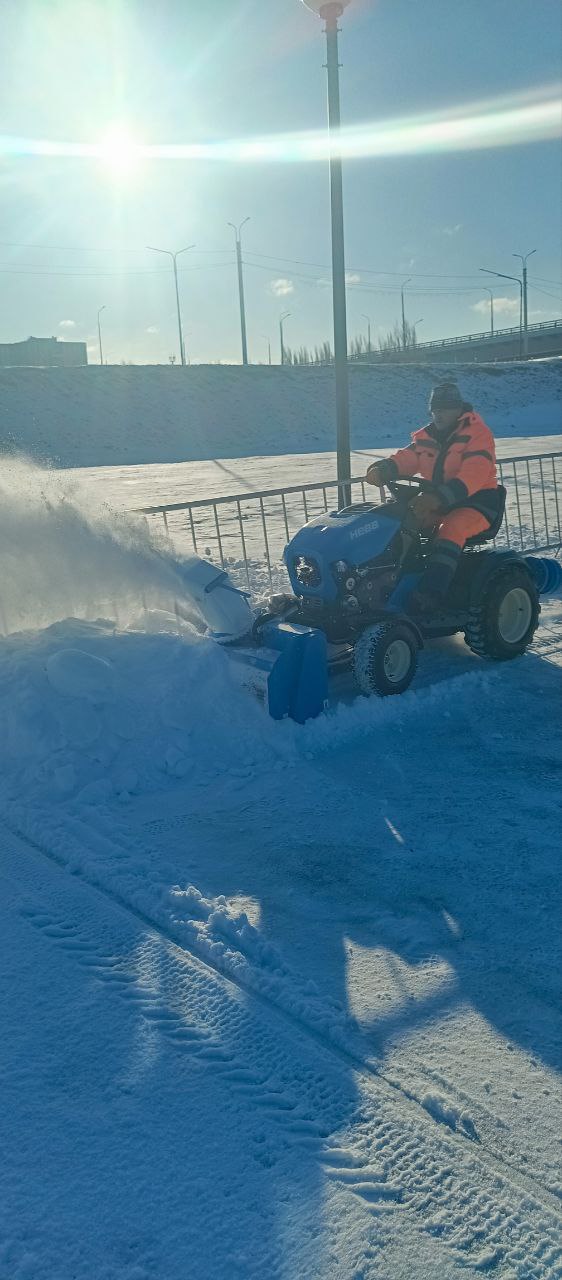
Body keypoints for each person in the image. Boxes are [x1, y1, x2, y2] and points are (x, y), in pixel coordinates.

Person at [365, 382, 502, 610]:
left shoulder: (478, 434)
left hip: (477, 503)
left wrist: (438, 498)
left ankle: (431, 593)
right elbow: (408, 457)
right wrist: (385, 468)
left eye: (445, 408)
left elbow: (474, 474)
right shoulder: (427, 436)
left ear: (459, 409)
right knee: (399, 521)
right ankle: (384, 582)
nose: (439, 413)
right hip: (439, 501)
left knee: (452, 527)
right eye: (435, 409)